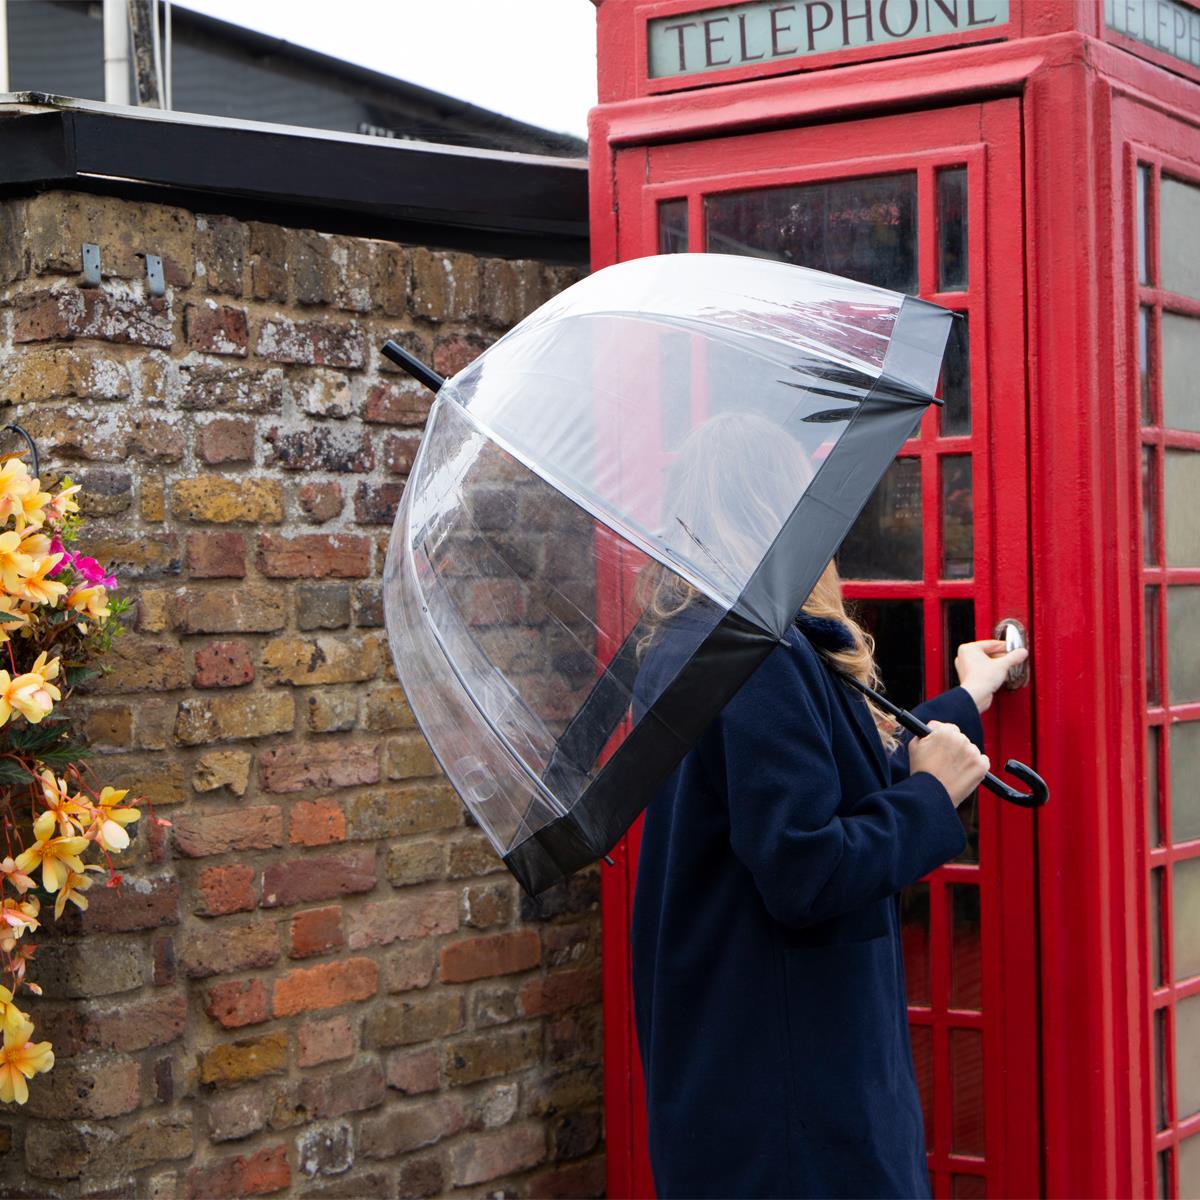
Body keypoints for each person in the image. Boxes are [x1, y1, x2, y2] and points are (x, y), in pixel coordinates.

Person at [630, 413, 1028, 1199]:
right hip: (796, 1096)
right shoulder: (757, 655)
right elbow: (805, 867)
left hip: (731, 1065)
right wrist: (931, 796)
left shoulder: (690, 642)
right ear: (779, 509)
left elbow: (831, 780)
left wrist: (967, 698)